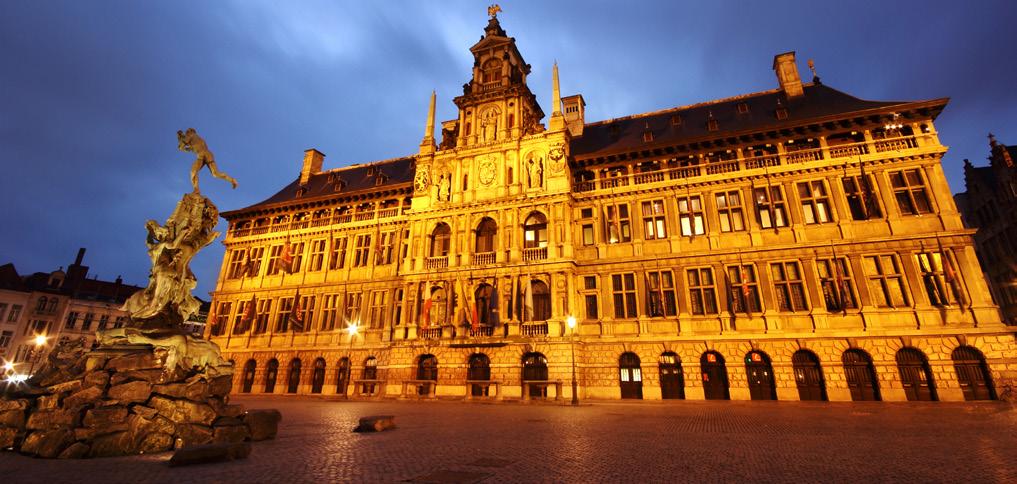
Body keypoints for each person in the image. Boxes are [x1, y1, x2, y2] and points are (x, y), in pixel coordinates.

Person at [177, 128, 238, 192]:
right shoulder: (197, 139)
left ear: (190, 132)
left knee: (195, 171)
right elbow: (188, 147)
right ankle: (232, 180)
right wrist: (181, 140)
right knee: (214, 173)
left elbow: (182, 145)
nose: (186, 133)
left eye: (187, 132)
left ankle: (196, 189)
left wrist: (180, 137)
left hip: (203, 155)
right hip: (206, 155)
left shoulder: (191, 136)